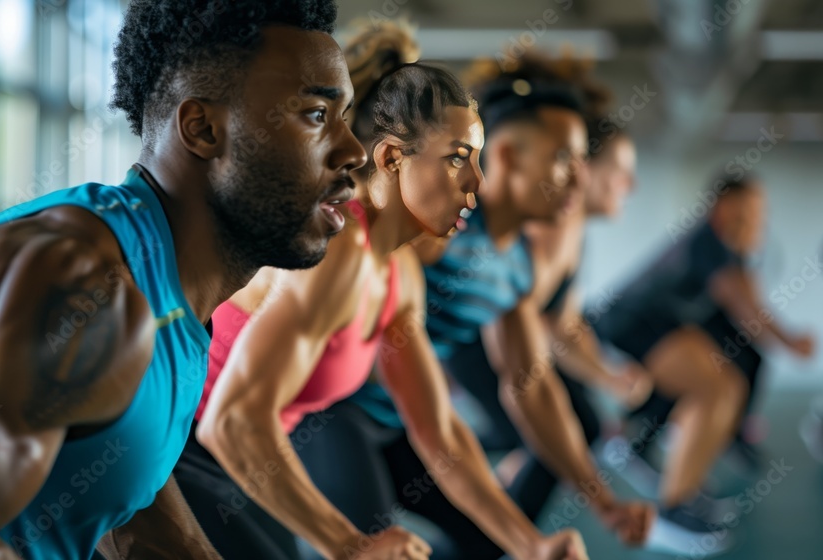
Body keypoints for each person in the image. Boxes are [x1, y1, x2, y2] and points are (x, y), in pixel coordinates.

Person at [0, 2, 367, 558]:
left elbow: (116, 480)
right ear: (203, 129)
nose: (354, 151)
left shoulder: (166, 297)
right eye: (317, 116)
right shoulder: (80, 288)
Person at [177, 23, 589, 560]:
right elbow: (231, 422)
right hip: (175, 449)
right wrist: (352, 545)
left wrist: (529, 545)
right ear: (393, 159)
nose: (477, 183)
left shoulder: (400, 276)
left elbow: (440, 432)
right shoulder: (337, 252)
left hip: (229, 464)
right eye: (459, 157)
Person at [333, 56, 655, 553]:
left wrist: (603, 502)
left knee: (488, 540)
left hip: (398, 422)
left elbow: (531, 389)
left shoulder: (517, 267)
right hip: (331, 413)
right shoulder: (431, 226)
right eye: (565, 160)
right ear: (506, 157)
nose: (578, 179)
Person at [441, 55, 653, 526]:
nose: (628, 185)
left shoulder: (518, 254)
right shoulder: (498, 236)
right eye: (565, 161)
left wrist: (604, 506)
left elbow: (551, 342)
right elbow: (536, 342)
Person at [593, 171, 816, 553]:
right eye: (751, 207)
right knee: (715, 386)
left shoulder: (729, 245)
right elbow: (745, 307)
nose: (758, 216)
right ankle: (670, 509)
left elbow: (746, 299)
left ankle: (679, 482)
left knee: (727, 382)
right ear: (724, 207)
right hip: (635, 323)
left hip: (664, 324)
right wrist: (791, 343)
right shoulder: (709, 240)